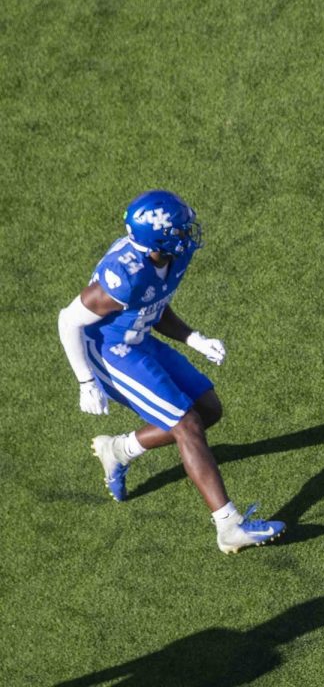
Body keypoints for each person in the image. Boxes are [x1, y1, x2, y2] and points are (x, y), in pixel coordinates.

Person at [57, 190, 285, 554]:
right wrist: (86, 381)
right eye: (180, 230)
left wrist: (194, 338)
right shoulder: (124, 276)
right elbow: (68, 321)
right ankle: (229, 526)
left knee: (208, 410)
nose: (188, 234)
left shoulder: (168, 257)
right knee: (187, 424)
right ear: (158, 240)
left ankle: (120, 449)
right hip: (111, 351)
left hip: (139, 337)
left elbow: (154, 304)